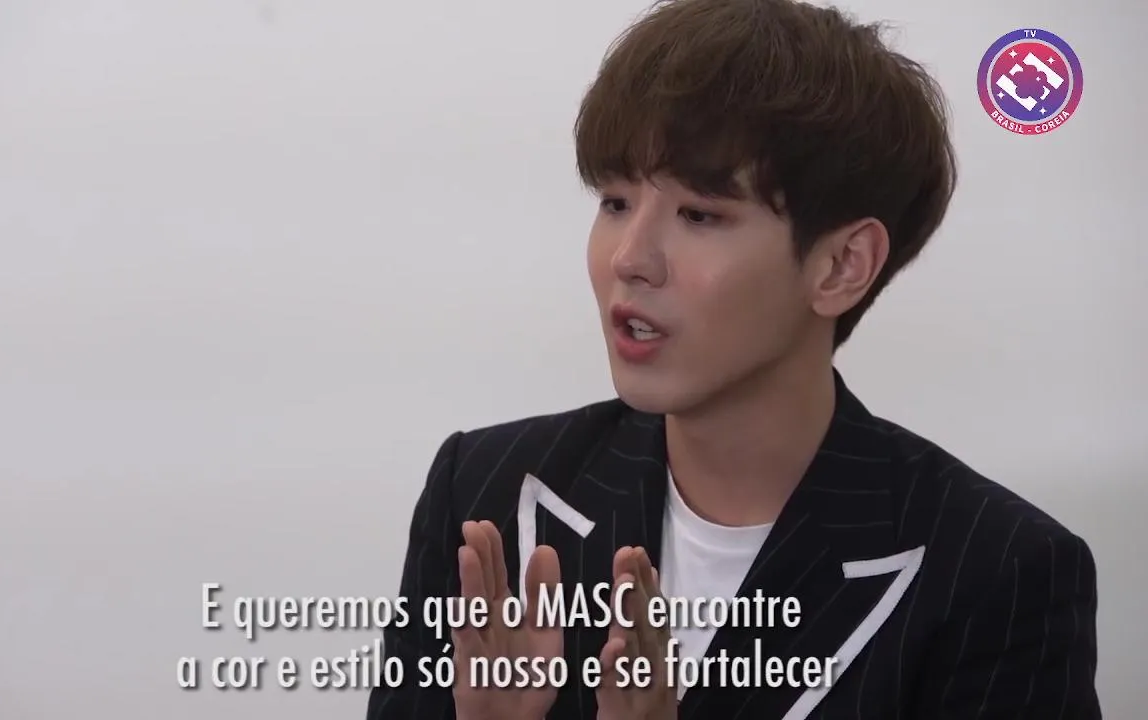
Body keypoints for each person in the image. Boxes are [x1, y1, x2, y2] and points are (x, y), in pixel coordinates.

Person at [365, 0, 1100, 717]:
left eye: (699, 214)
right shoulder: (486, 492)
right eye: (615, 201)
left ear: (842, 265)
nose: (630, 258)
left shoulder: (997, 571)